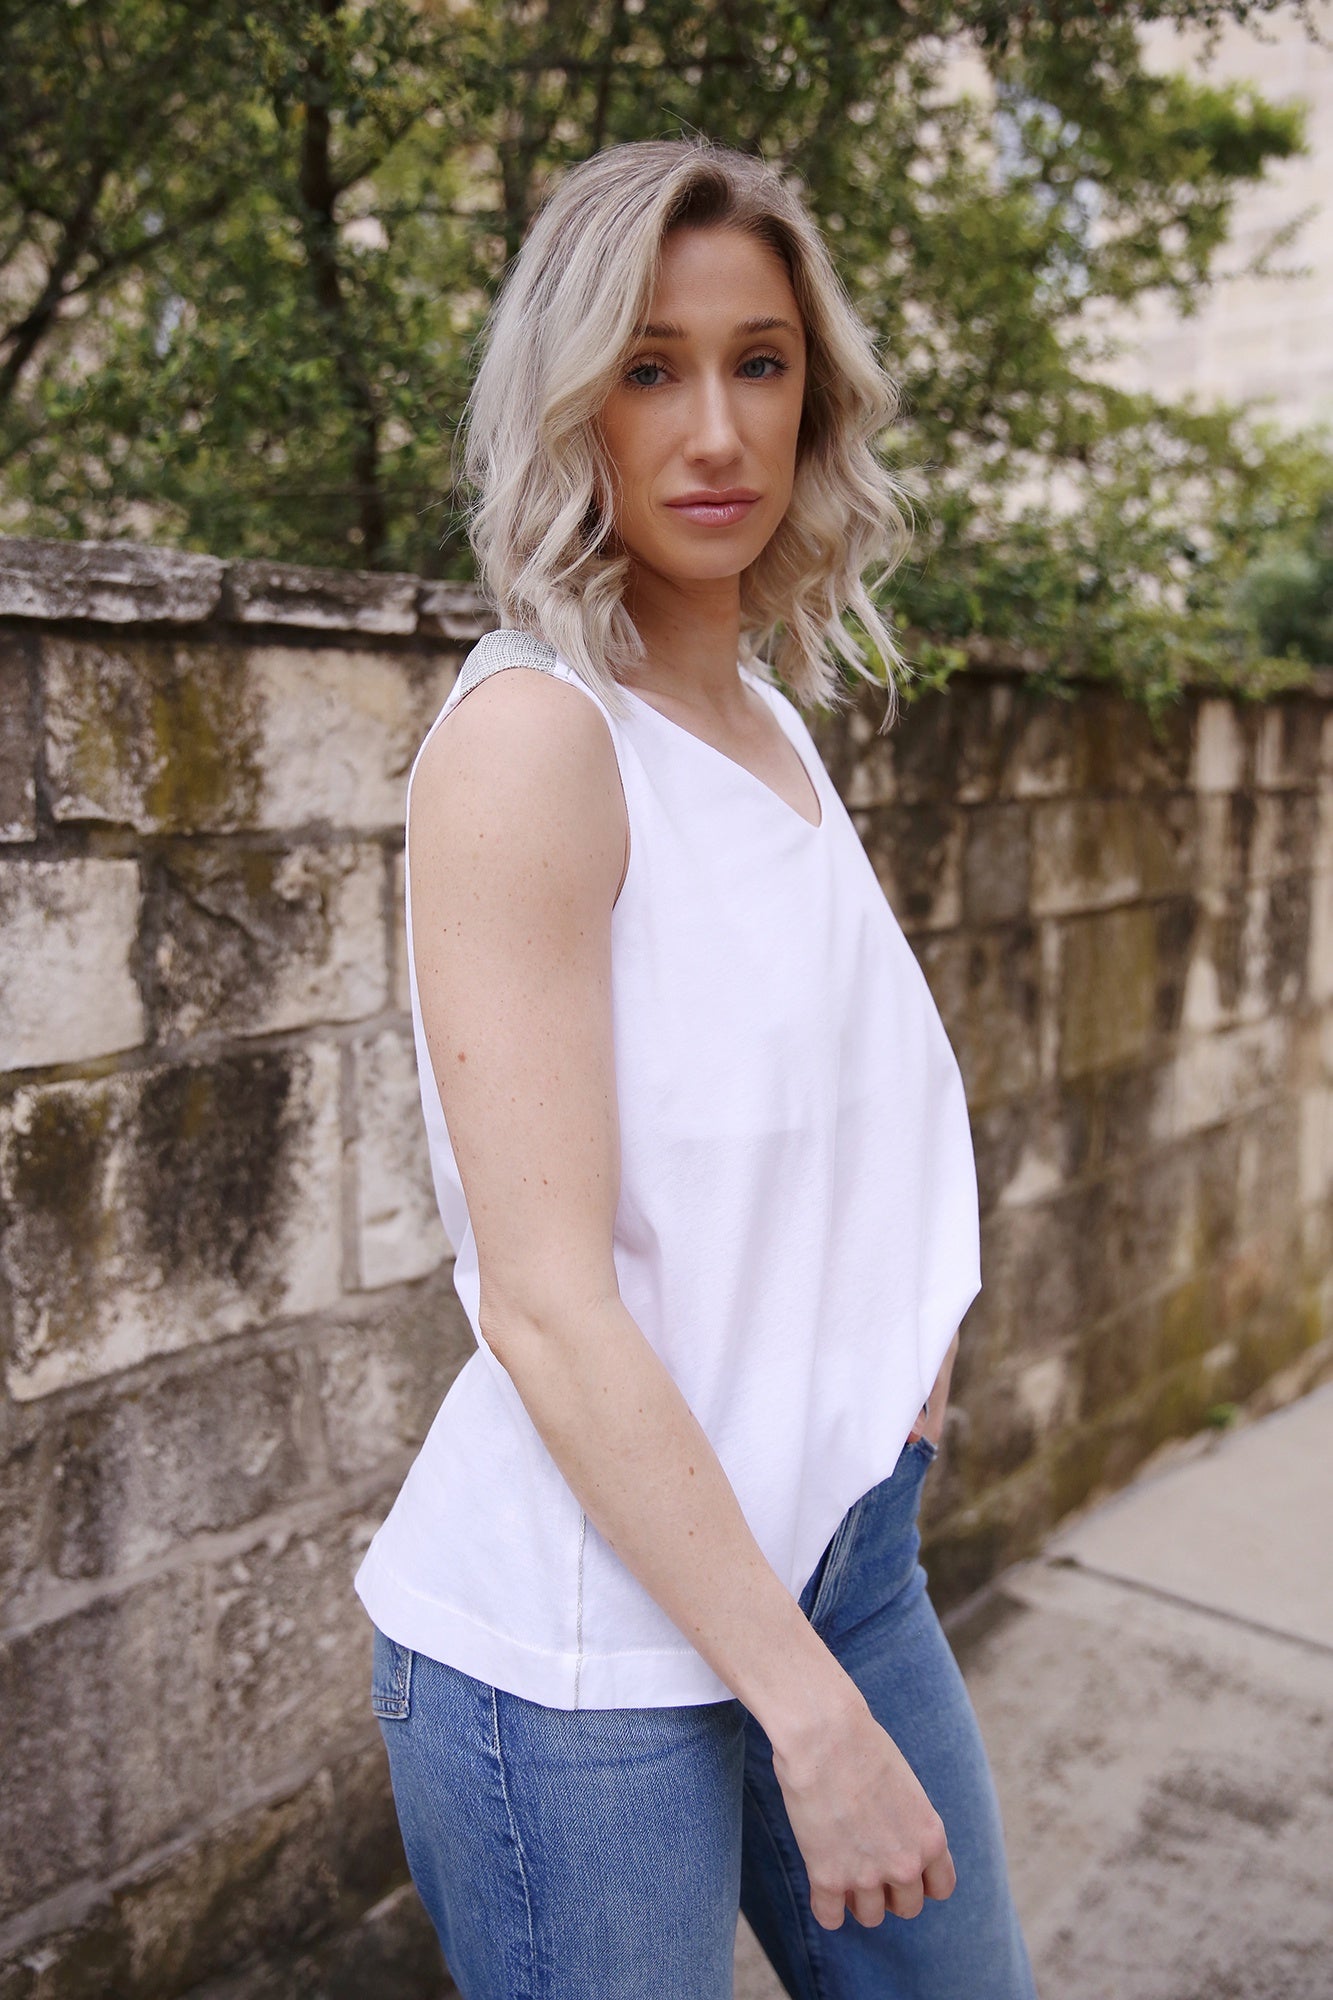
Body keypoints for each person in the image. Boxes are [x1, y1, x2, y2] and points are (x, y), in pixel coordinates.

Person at [354, 136, 1039, 2000]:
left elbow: (861, 1120)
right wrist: (807, 1721)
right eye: (650, 367)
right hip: (589, 1663)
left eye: (759, 361)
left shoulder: (763, 729)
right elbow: (548, 1304)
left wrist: (902, 1395)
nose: (714, 428)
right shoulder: (537, 744)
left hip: (835, 1570)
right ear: (569, 401)